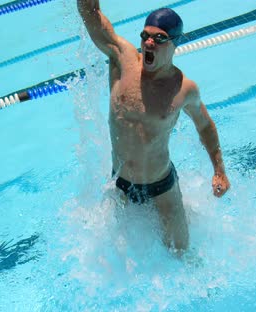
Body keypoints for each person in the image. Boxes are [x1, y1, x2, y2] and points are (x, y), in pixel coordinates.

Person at [77, 0, 230, 252]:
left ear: (174, 43)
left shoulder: (183, 89)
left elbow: (205, 126)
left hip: (162, 188)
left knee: (181, 254)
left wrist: (219, 170)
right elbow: (92, 16)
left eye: (159, 39)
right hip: (121, 184)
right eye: (145, 36)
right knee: (115, 256)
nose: (149, 43)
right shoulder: (123, 60)